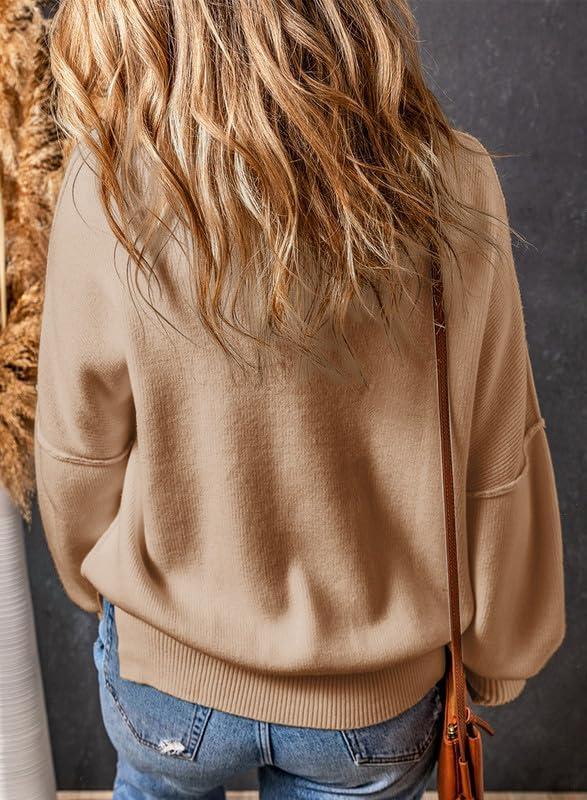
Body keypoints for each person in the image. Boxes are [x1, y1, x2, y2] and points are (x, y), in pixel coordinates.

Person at [34, 1, 566, 797]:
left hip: (169, 680)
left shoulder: (109, 183)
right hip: (370, 699)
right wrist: (498, 655)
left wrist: (104, 591)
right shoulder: (452, 177)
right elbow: (495, 447)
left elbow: (78, 449)